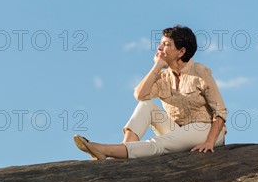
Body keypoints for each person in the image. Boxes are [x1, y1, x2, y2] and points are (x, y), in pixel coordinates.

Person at [74, 25, 227, 160]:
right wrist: (157, 67)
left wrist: (209, 142)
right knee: (146, 106)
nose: (160, 48)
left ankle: (105, 149)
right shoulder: (163, 77)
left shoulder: (200, 72)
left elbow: (220, 112)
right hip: (178, 132)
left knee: (160, 144)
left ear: (181, 52)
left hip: (205, 131)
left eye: (166, 44)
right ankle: (124, 150)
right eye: (160, 44)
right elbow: (140, 95)